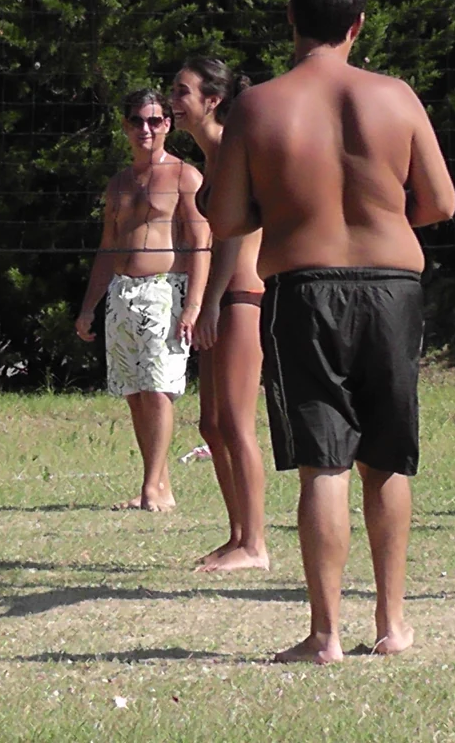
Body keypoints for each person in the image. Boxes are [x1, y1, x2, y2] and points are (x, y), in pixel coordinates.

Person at [206, 0, 455, 664]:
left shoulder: (258, 105)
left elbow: (224, 218)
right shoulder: (397, 97)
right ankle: (393, 623)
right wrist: (381, 206)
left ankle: (325, 635)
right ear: (358, 24)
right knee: (388, 459)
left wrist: (275, 200)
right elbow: (440, 202)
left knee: (324, 466)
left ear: (291, 19)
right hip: (393, 285)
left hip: (304, 287)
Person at [75, 88, 211, 513]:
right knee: (134, 391)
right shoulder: (118, 183)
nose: (146, 129)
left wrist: (193, 306)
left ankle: (153, 486)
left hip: (163, 291)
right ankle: (158, 485)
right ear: (125, 125)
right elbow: (107, 247)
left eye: (155, 121)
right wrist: (88, 305)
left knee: (159, 389)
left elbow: (201, 241)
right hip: (121, 293)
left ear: (168, 124)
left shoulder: (184, 175)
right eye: (137, 121)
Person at [170, 59, 270, 571]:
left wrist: (207, 305)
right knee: (211, 425)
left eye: (182, 91)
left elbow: (231, 235)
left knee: (236, 422)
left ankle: (256, 544)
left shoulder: (234, 150)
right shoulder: (213, 156)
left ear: (211, 99)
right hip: (220, 297)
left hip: (241, 296)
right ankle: (237, 535)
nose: (173, 98)